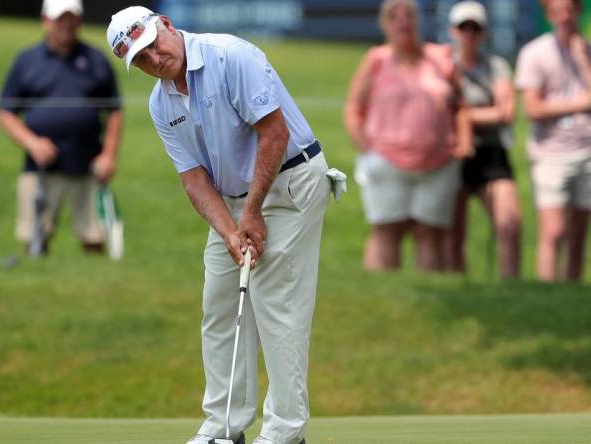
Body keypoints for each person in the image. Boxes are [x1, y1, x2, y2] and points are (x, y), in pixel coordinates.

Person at [106, 6, 332, 444]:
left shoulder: (230, 56)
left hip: (290, 185)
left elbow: (275, 135)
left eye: (153, 44)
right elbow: (193, 178)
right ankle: (224, 426)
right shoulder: (161, 103)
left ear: (167, 25)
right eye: (141, 59)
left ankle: (286, 431)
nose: (154, 59)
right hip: (232, 201)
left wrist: (251, 213)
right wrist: (231, 230)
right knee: (219, 306)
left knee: (276, 306)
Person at [344, 0, 472, 272]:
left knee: (430, 232)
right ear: (385, 24)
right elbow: (354, 107)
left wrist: (464, 141)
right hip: (386, 160)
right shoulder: (376, 60)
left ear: (418, 21)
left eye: (409, 16)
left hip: (438, 162)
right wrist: (364, 145)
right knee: (386, 229)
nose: (403, 22)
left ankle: (427, 292)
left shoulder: (440, 58)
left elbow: (460, 105)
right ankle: (386, 297)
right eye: (394, 16)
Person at [0, 0, 123, 255]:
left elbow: (114, 111)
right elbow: (5, 112)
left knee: (95, 240)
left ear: (79, 20)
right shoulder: (26, 61)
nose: (66, 25)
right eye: (59, 18)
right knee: (34, 240)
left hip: (88, 165)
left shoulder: (96, 59)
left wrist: (109, 155)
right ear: (45, 19)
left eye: (71, 18)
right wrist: (32, 143)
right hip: (40, 167)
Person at [515, 0, 591, 282]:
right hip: (550, 152)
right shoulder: (534, 53)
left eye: (570, 10)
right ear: (548, 15)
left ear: (579, 11)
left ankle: (572, 290)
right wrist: (578, 104)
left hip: (590, 151)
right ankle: (547, 289)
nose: (565, 17)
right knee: (553, 231)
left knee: (579, 234)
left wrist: (583, 60)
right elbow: (533, 109)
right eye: (557, 11)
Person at [442, 1, 522, 278]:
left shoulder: (496, 66)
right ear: (453, 31)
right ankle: (457, 286)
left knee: (509, 224)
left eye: (475, 28)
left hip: (491, 152)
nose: (470, 34)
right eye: (464, 27)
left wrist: (465, 115)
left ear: (484, 33)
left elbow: (507, 111)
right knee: (452, 234)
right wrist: (485, 113)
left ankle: (510, 286)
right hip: (453, 154)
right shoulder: (443, 65)